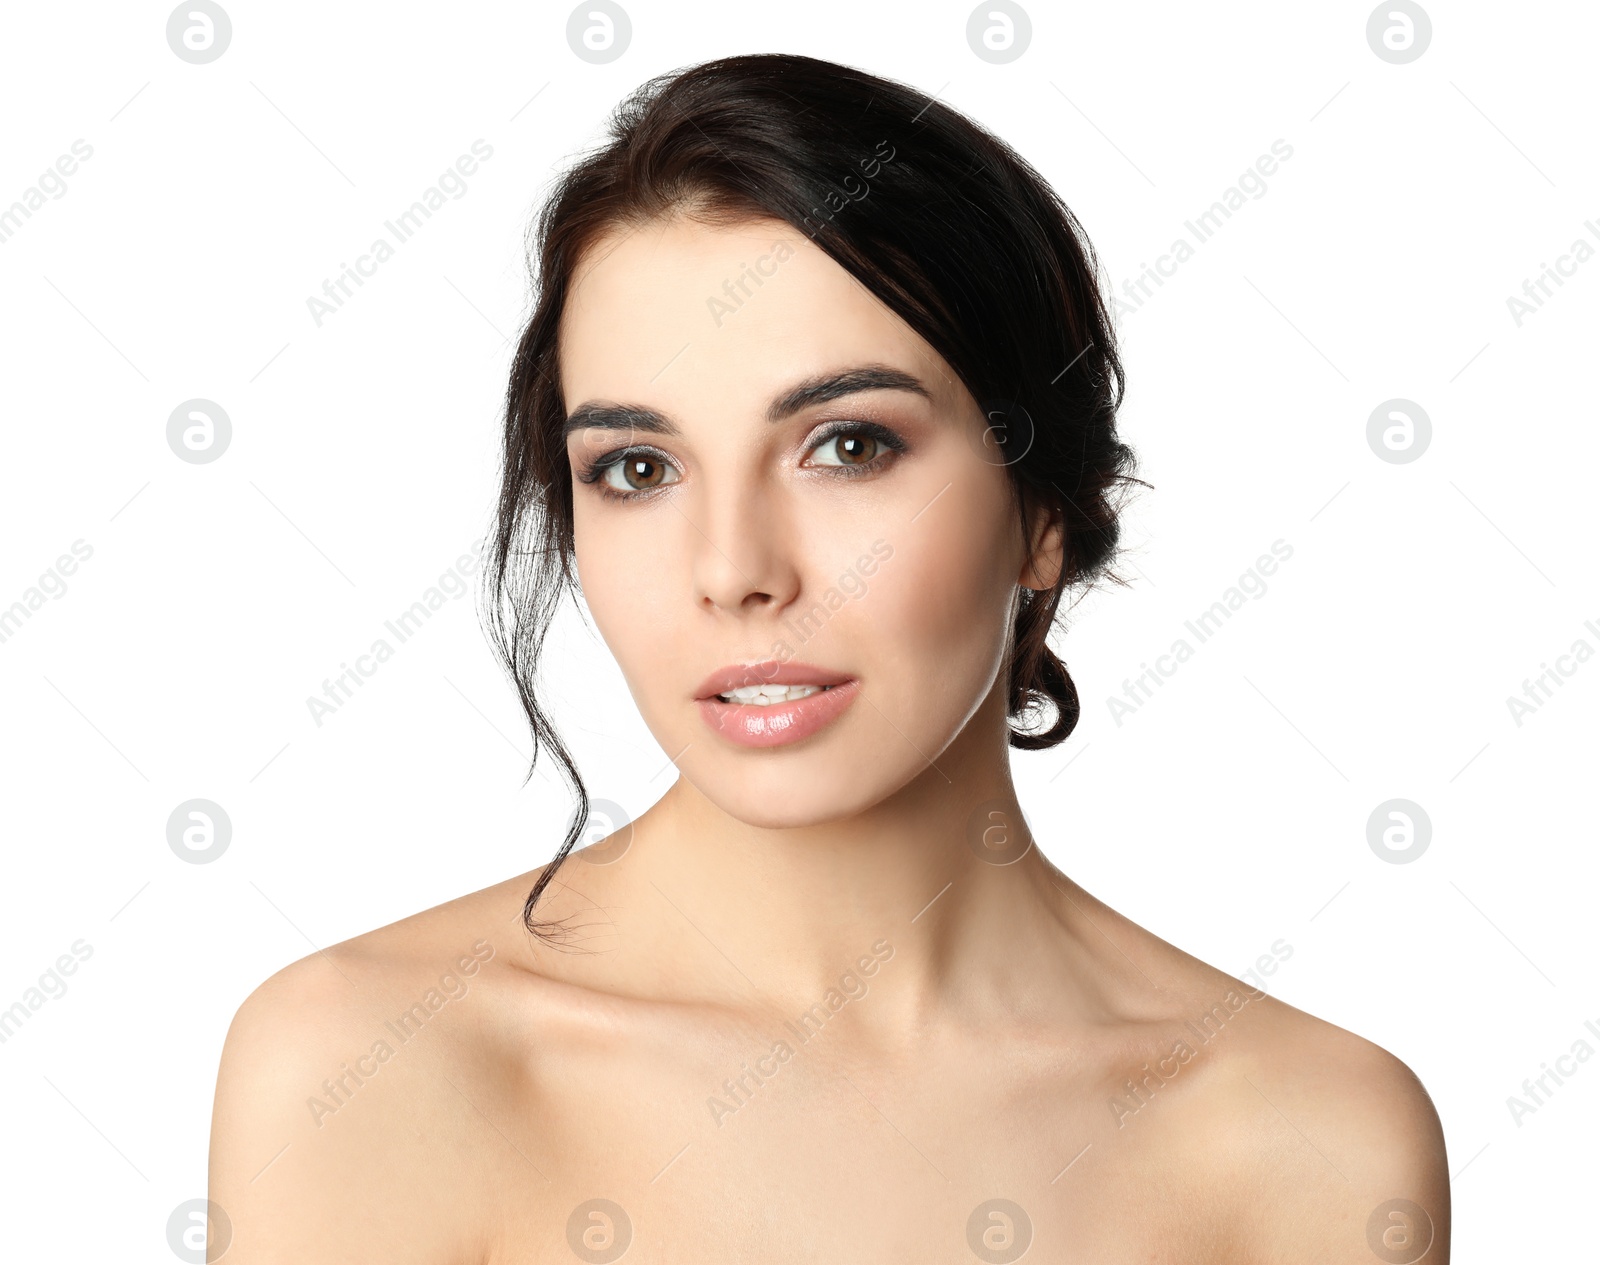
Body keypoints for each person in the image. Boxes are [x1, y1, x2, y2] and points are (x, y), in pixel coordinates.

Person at [210, 53, 1449, 1262]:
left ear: (1044, 512)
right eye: (637, 469)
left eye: (847, 446)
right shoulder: (367, 1068)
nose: (733, 567)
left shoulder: (1310, 1140)